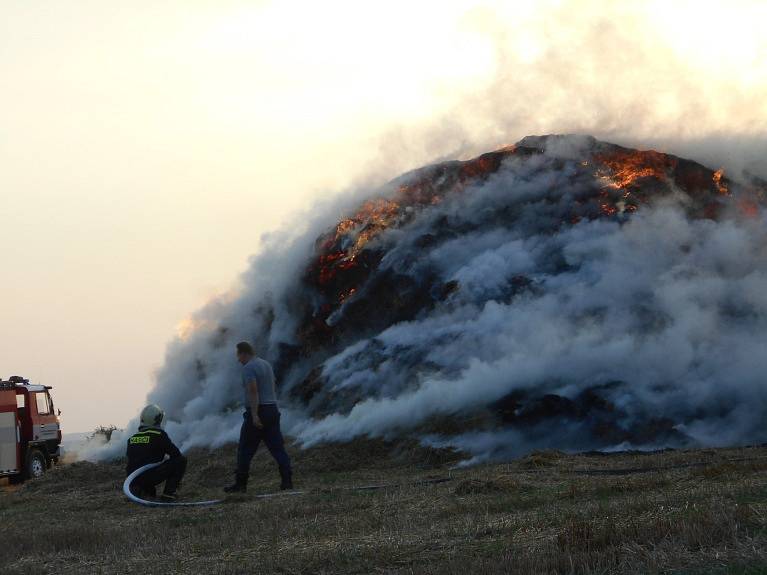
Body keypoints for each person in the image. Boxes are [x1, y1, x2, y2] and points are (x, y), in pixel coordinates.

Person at [224, 341, 293, 493]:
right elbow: (272, 386)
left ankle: (240, 485)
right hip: (272, 410)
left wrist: (255, 415)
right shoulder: (266, 364)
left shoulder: (248, 368)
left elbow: (253, 391)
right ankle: (287, 481)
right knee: (277, 448)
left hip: (258, 411)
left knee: (245, 448)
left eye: (238, 356)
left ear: (243, 353)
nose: (238, 360)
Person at [126, 404, 187, 502]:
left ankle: (141, 491)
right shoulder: (159, 435)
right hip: (149, 476)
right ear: (158, 420)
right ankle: (168, 495)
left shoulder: (132, 439)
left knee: (151, 493)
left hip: (133, 480)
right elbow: (176, 455)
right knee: (181, 461)